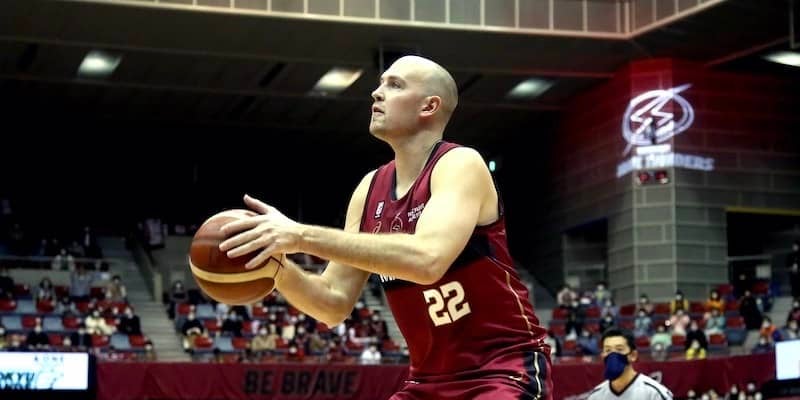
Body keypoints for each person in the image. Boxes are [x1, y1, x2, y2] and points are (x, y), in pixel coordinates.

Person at [218, 55, 552, 399]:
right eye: (380, 84)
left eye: (394, 85)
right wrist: (279, 269)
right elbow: (332, 303)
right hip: (426, 383)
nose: (376, 93)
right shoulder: (369, 189)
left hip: (501, 371)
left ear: (429, 106)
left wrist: (299, 236)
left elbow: (427, 260)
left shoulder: (460, 163)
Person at [588, 328, 673, 400]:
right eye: (608, 350)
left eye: (619, 349)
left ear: (633, 355)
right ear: (602, 356)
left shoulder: (654, 393)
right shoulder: (595, 396)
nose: (613, 355)